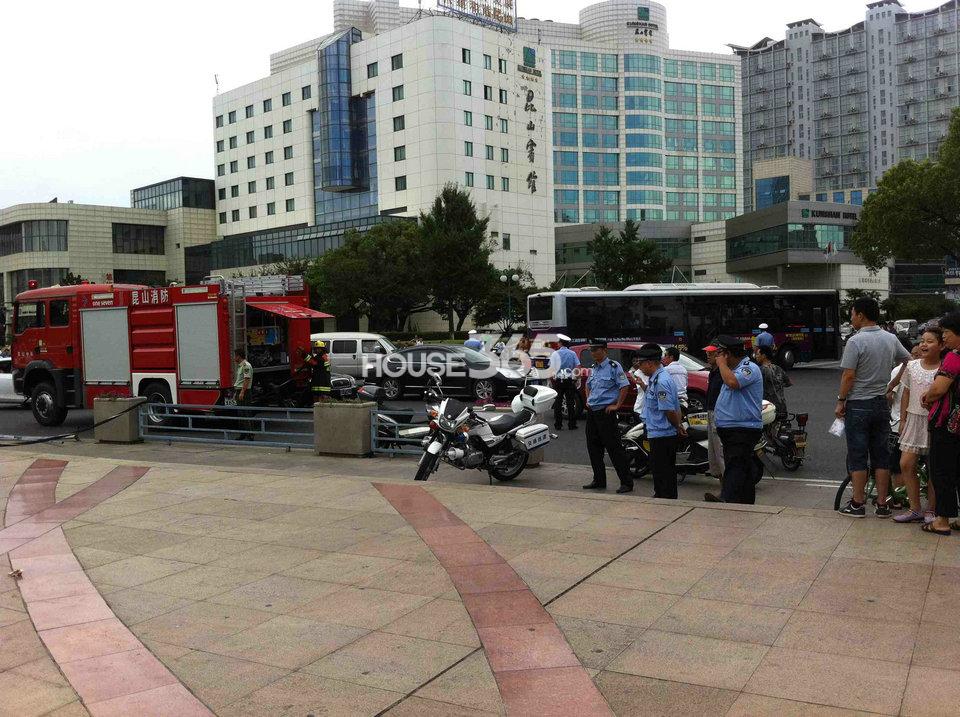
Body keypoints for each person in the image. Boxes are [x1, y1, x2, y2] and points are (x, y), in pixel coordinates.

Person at [837, 297, 911, 518]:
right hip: (881, 404)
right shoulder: (890, 338)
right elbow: (908, 361)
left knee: (858, 456)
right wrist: (892, 384)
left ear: (860, 315)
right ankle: (882, 504)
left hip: (858, 404)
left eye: (852, 313)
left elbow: (848, 375)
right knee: (881, 456)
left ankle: (857, 504)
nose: (851, 318)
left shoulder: (855, 341)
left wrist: (841, 400)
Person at [893, 329, 942, 523]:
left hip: (935, 421)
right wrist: (903, 419)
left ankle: (931, 509)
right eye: (922, 341)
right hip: (913, 420)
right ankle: (915, 508)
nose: (923, 344)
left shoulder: (945, 368)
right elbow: (905, 393)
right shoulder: (912, 366)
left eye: (930, 341)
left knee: (934, 467)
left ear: (941, 346)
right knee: (906, 463)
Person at [920, 312, 960, 535]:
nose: (944, 337)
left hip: (947, 423)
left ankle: (942, 519)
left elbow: (938, 389)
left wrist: (927, 396)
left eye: (947, 332)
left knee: (942, 471)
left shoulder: (954, 357)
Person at [714, 335, 764, 504]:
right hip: (731, 428)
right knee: (742, 467)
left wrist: (721, 364)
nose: (717, 357)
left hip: (742, 428)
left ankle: (728, 498)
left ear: (727, 354)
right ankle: (745, 503)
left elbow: (733, 382)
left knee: (735, 466)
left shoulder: (749, 368)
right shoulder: (731, 369)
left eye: (719, 353)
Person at [582, 339, 633, 494]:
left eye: (595, 350)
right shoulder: (594, 368)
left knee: (614, 448)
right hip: (593, 413)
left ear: (604, 350)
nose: (592, 353)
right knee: (593, 447)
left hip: (606, 412)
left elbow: (624, 386)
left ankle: (626, 482)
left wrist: (617, 405)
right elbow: (587, 385)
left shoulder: (613, 366)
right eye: (591, 350)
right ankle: (599, 480)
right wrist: (588, 400)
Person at [637, 344, 686, 499]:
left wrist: (677, 425)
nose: (639, 367)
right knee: (661, 473)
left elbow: (669, 410)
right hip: (658, 432)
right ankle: (662, 498)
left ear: (650, 363)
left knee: (663, 473)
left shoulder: (661, 381)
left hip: (662, 435)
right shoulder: (657, 378)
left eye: (641, 363)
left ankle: (666, 501)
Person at [703, 345, 726, 501]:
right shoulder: (712, 372)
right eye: (707, 354)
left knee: (721, 453)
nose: (708, 356)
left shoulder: (723, 373)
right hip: (710, 412)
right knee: (714, 456)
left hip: (719, 414)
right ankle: (723, 489)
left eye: (711, 354)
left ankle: (728, 491)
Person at [755, 345, 792, 424]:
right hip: (782, 407)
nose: (756, 356)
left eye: (757, 354)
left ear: (763, 356)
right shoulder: (778, 369)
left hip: (767, 409)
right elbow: (788, 383)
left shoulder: (759, 371)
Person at [549, 334, 579, 430]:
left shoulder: (555, 354)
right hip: (569, 380)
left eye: (558, 342)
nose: (557, 344)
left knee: (558, 402)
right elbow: (578, 366)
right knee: (570, 402)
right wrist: (576, 378)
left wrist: (552, 379)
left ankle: (558, 424)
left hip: (558, 380)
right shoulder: (572, 353)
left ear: (561, 343)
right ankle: (572, 424)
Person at [233, 348, 254, 441]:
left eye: (235, 356)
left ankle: (250, 434)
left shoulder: (246, 366)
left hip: (245, 392)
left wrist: (242, 392)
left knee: (245, 413)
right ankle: (243, 433)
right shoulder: (241, 366)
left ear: (239, 356)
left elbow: (246, 380)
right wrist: (237, 392)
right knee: (241, 413)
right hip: (240, 391)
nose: (234, 358)